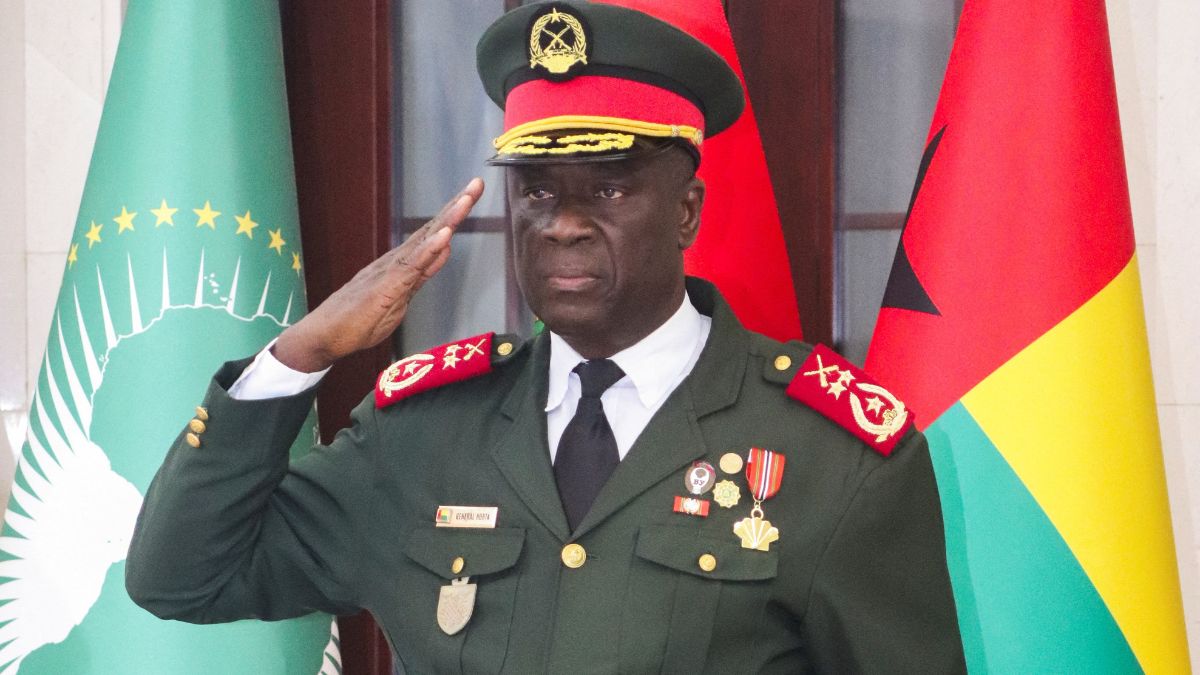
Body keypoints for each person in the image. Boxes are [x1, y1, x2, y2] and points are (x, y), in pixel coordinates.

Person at [126, 1, 965, 672]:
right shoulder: (422, 434)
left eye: (607, 191)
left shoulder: (832, 458)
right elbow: (180, 576)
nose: (561, 225)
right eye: (534, 192)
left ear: (686, 211)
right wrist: (300, 353)